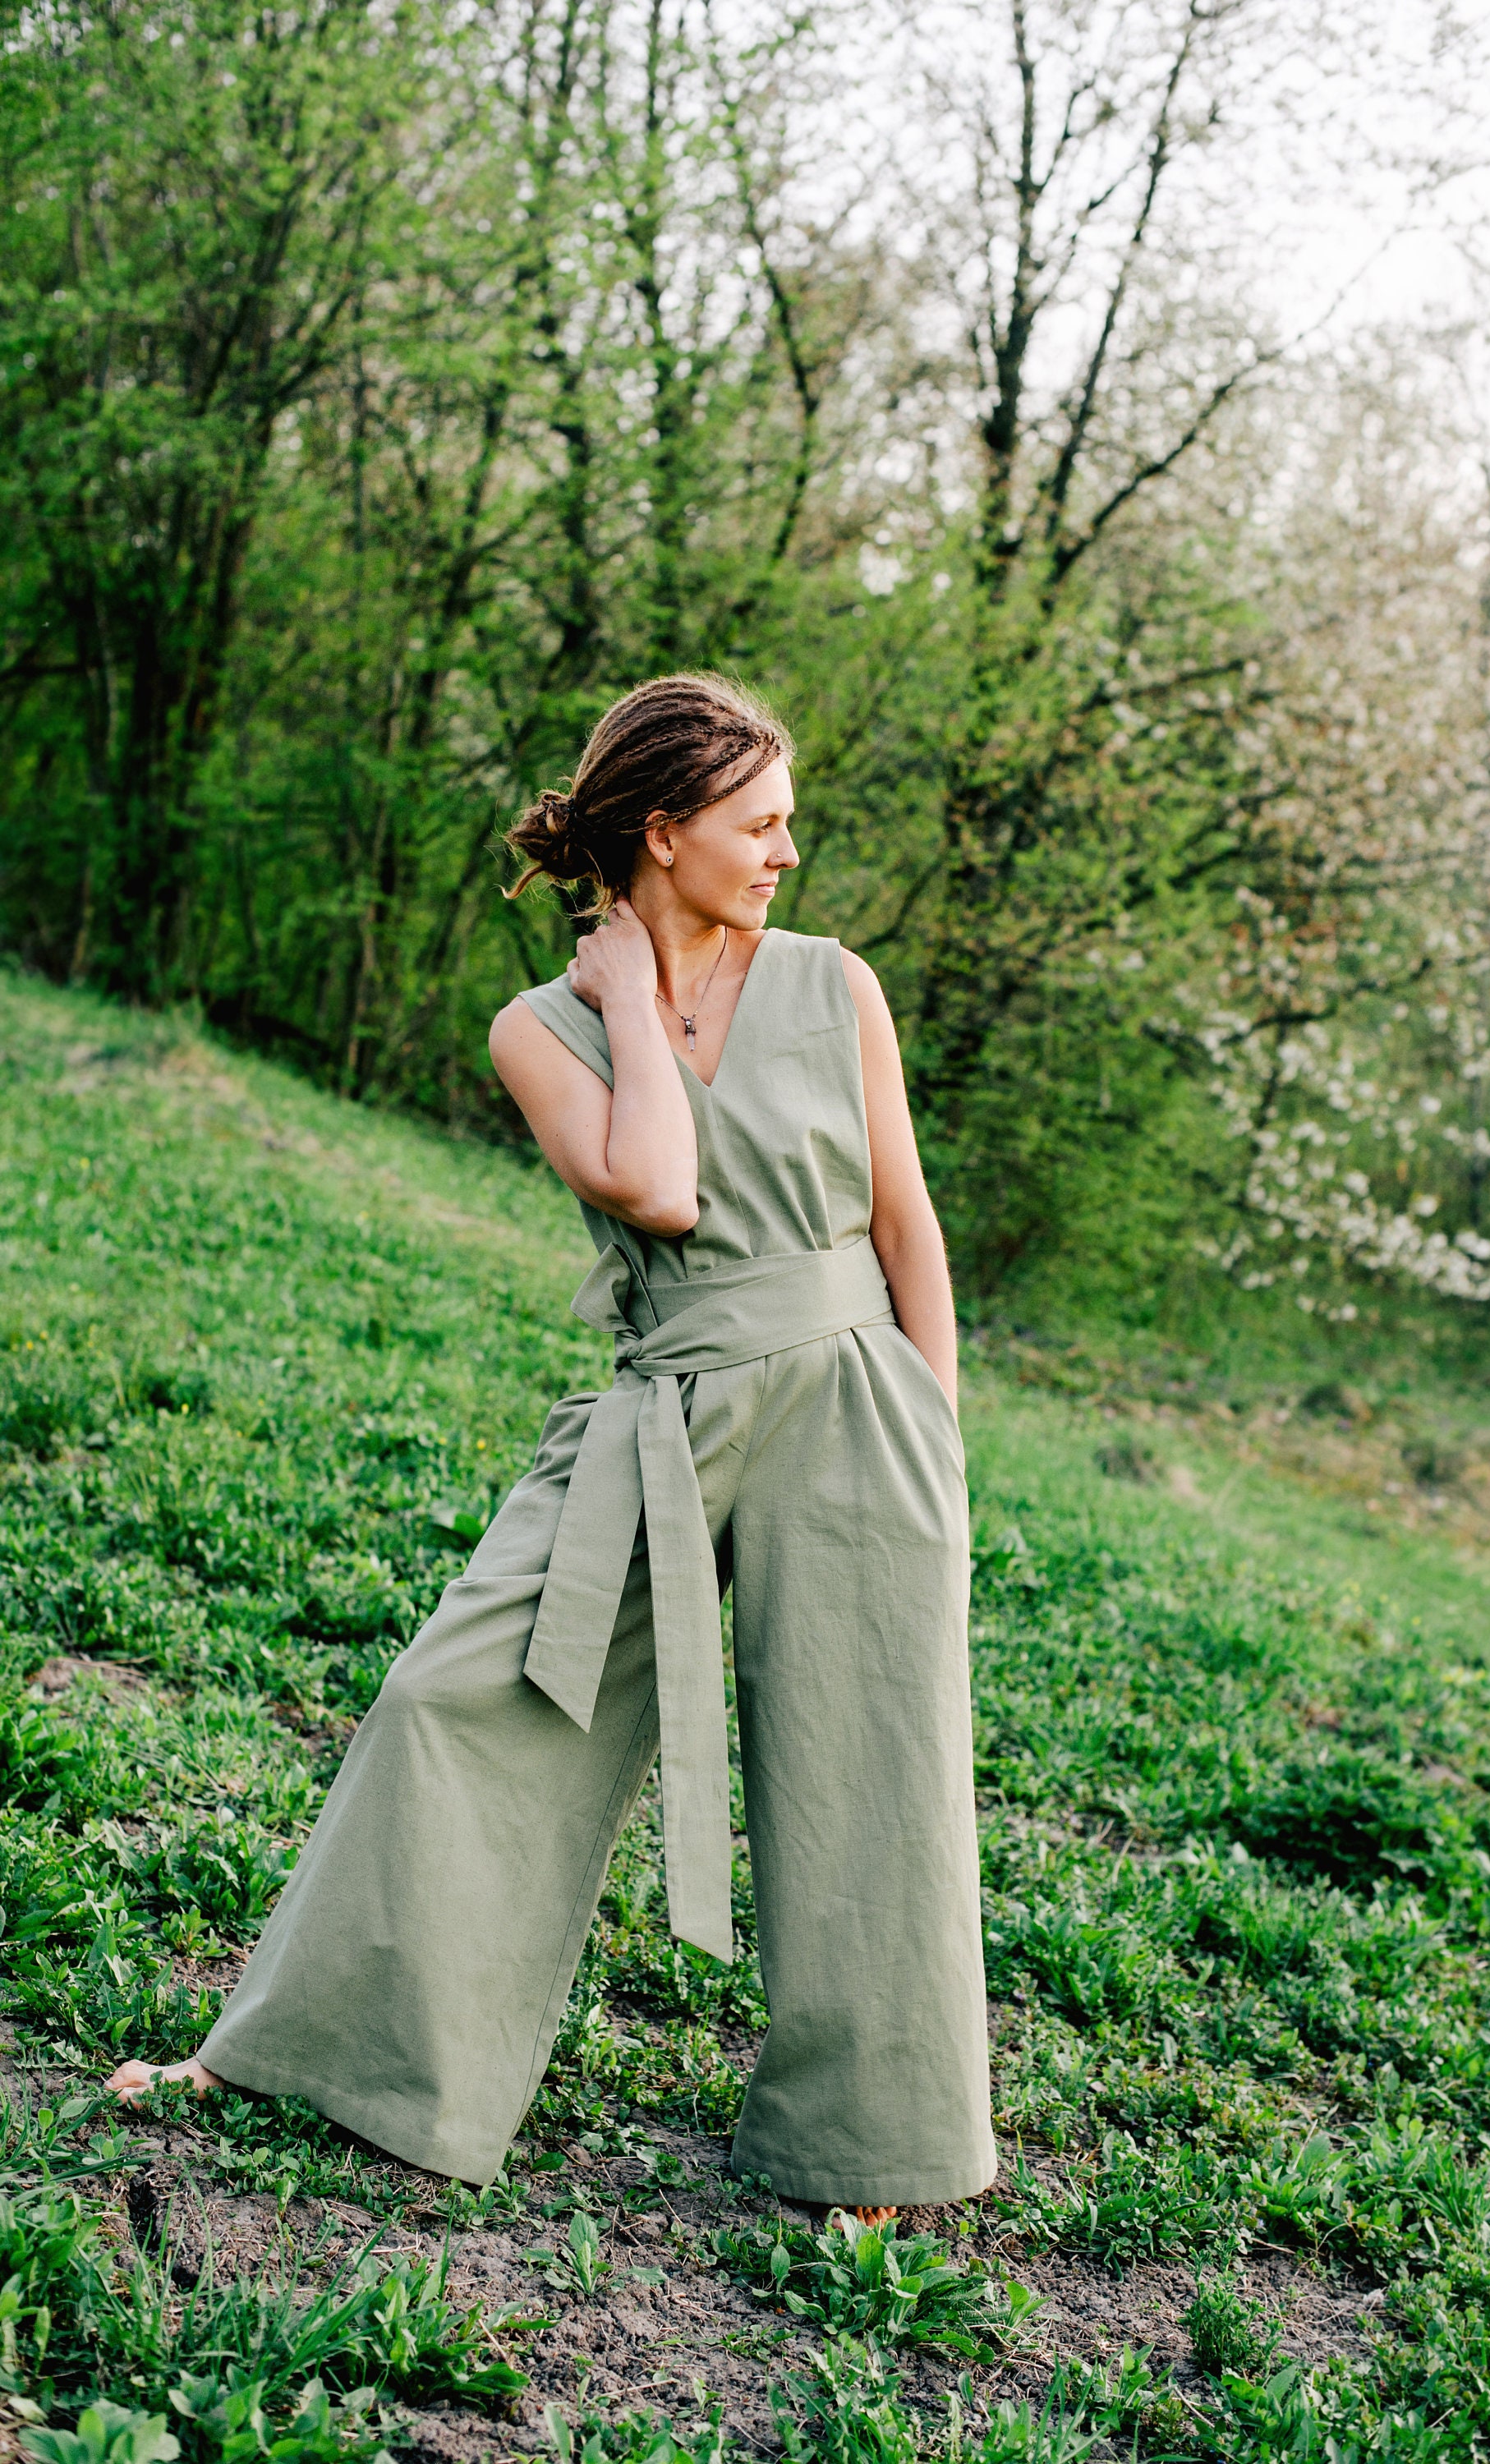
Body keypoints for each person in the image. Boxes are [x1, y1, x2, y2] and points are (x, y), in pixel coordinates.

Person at [108, 672, 996, 2219]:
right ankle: (318, 2055)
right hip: (667, 1406)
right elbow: (660, 1189)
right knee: (456, 1697)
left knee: (872, 1769)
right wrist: (634, 1004)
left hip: (860, 1409)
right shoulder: (539, 1028)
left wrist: (941, 1441)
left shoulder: (835, 984)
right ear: (664, 833)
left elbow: (908, 1225)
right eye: (760, 824)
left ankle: (871, 2151)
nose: (788, 852)